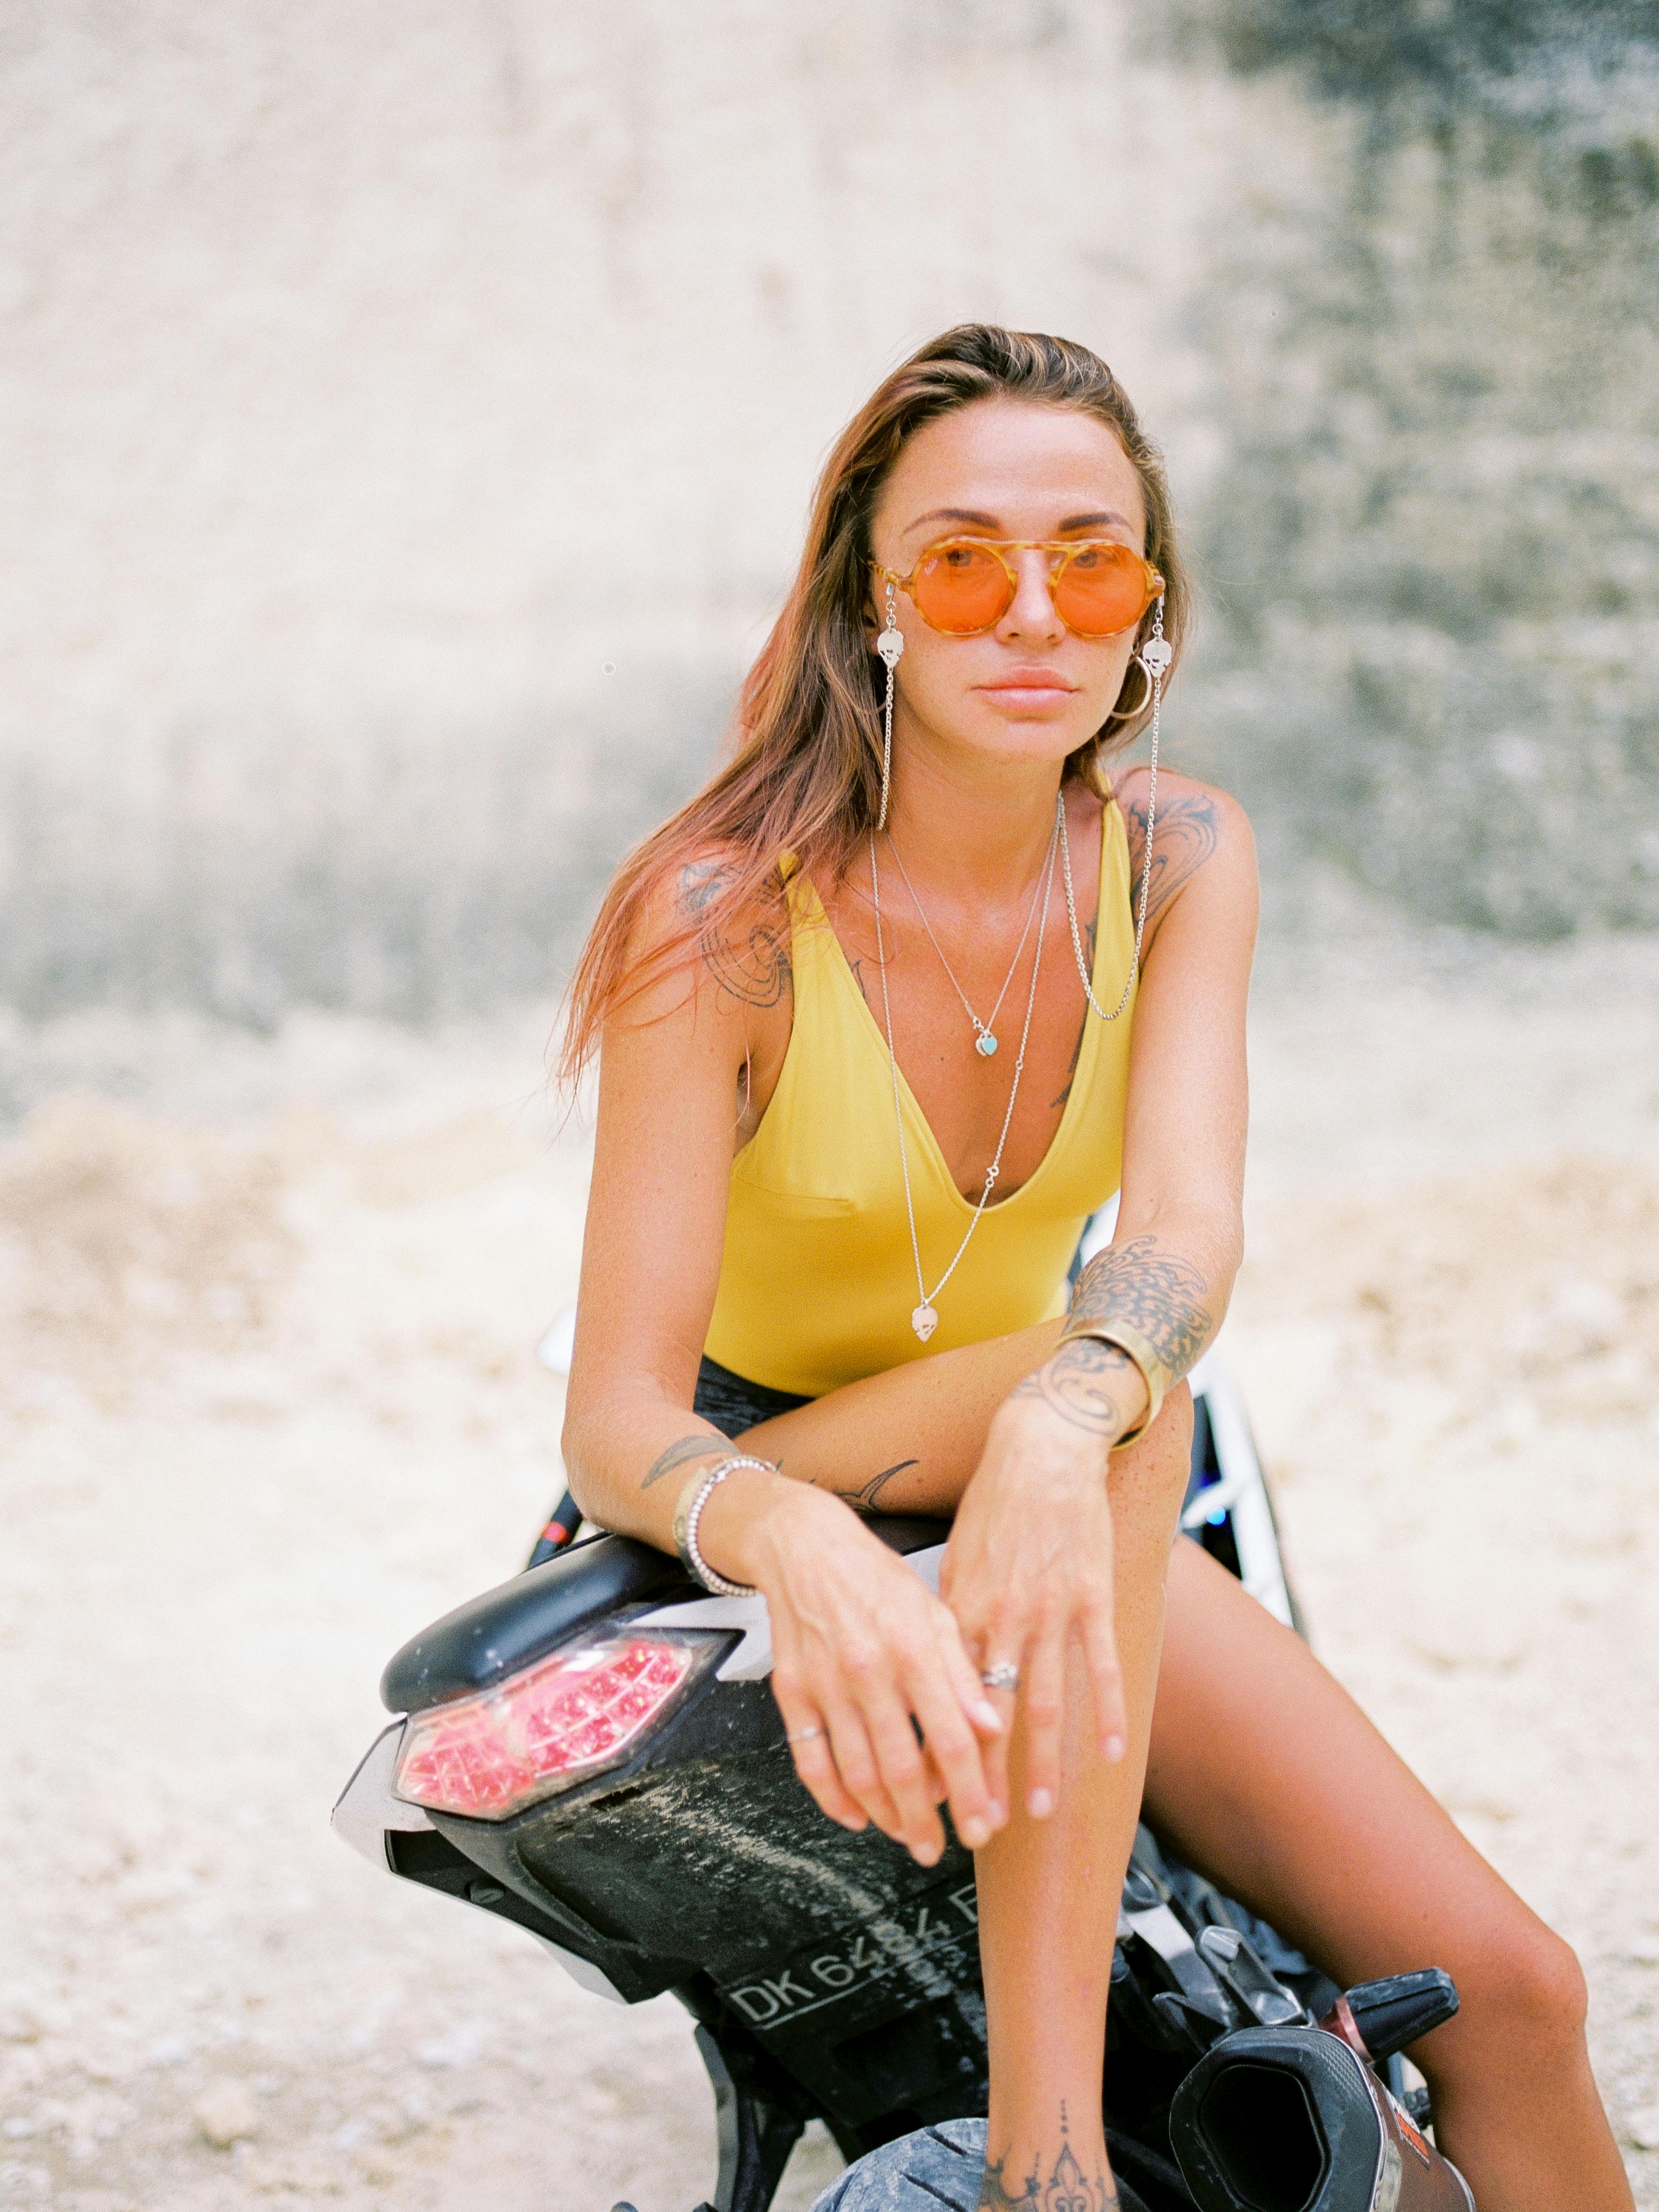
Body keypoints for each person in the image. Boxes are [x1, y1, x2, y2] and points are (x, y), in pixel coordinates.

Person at [559, 326, 1631, 2212]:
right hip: (737, 1484)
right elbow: (614, 1421)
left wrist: (1062, 1417)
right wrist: (795, 1535)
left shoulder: (1175, 856)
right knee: (1126, 1395)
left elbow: (1183, 1235)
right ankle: (1049, 2172)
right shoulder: (721, 914)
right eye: (965, 560)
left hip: (1050, 1437)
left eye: (1095, 558)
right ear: (869, 607)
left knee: (1520, 1997)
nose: (1033, 609)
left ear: (1150, 612)